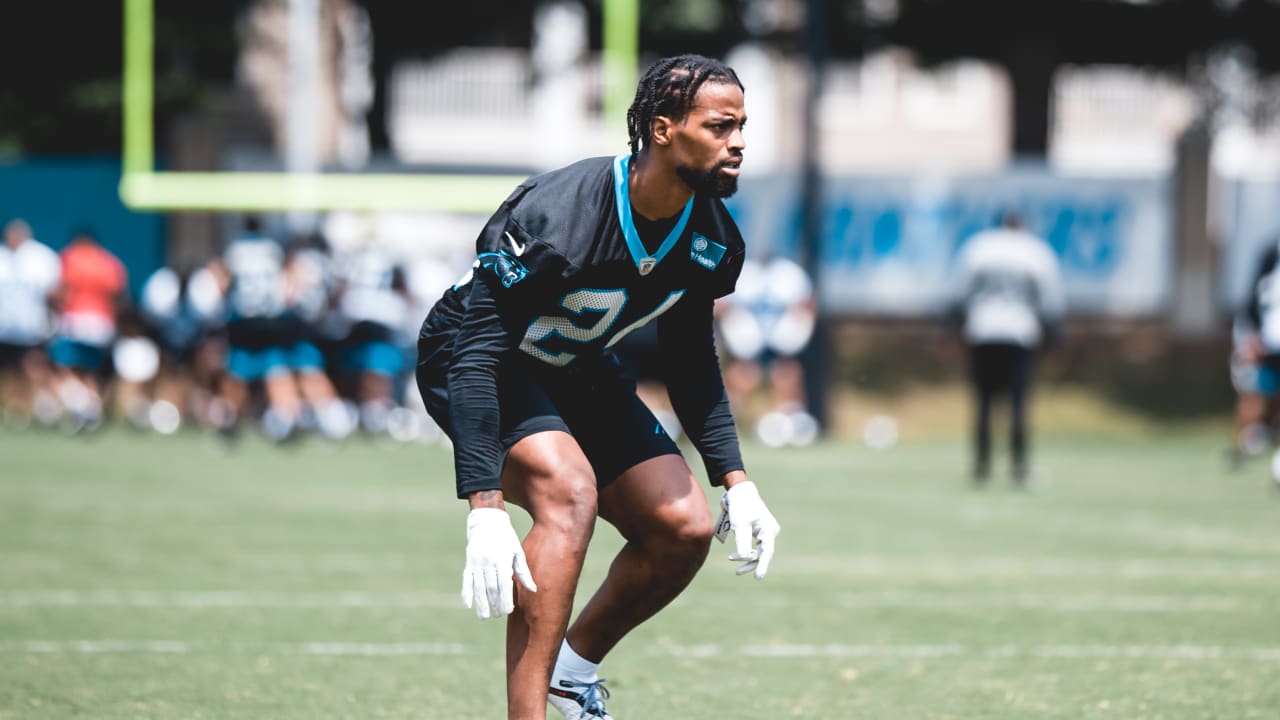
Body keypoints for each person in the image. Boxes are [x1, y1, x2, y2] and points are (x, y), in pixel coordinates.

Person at [415, 54, 781, 720]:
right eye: (722, 125)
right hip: (476, 357)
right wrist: (484, 506)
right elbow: (476, 355)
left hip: (574, 361)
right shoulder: (562, 215)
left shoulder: (712, 238)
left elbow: (692, 362)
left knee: (683, 527)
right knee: (568, 490)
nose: (740, 142)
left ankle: (570, 675)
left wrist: (737, 479)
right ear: (664, 129)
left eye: (743, 125)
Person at [946, 211, 1064, 487]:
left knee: (984, 402)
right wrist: (1056, 341)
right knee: (1018, 403)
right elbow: (1051, 299)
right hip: (1019, 332)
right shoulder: (1034, 250)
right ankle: (1019, 468)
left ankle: (982, 467)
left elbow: (957, 292)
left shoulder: (978, 247)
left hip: (983, 330)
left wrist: (950, 331)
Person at [715, 253, 818, 447]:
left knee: (785, 372)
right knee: (744, 375)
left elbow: (807, 304)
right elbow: (720, 305)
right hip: (746, 340)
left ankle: (791, 418)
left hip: (782, 339)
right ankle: (722, 422)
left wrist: (794, 330)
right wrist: (736, 323)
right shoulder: (742, 272)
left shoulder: (789, 274)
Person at [0, 219, 62, 426]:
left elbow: (55, 292)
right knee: (8, 372)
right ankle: (16, 410)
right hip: (4, 328)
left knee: (34, 369)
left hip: (31, 328)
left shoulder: (41, 258)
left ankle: (48, 408)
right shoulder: (2, 257)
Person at [1232, 234, 1280, 486]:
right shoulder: (1270, 252)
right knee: (1258, 397)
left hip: (1268, 339)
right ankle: (1248, 443)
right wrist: (1251, 336)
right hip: (1269, 340)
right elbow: (1253, 298)